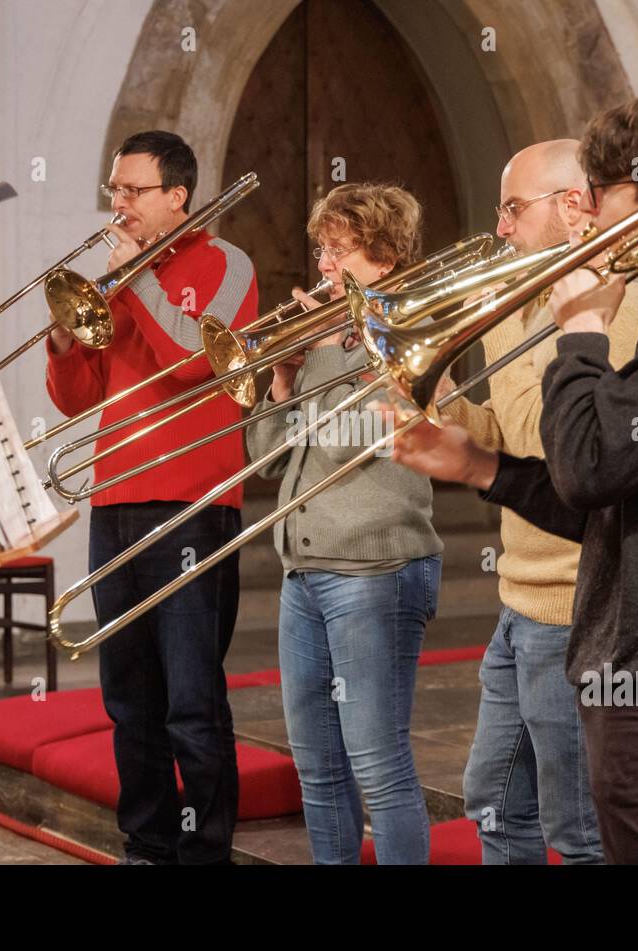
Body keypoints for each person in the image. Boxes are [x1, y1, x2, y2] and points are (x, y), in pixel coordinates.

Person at [388, 96, 638, 863]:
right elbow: (608, 500)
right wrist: (477, 465)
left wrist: (578, 325)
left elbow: (587, 464)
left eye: (603, 191)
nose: (591, 211)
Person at [45, 130, 258, 865]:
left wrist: (135, 280)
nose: (120, 204)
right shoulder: (116, 280)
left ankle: (205, 851)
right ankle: (147, 842)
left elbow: (195, 361)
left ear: (178, 196)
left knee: (191, 702)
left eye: (133, 191)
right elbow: (77, 398)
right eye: (115, 190)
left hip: (194, 504)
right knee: (128, 698)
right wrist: (65, 342)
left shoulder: (228, 264)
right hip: (114, 503)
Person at [442, 140, 638, 864]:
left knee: (579, 834)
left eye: (512, 209)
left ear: (572, 207)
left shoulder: (613, 305)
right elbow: (505, 431)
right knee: (493, 804)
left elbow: (558, 441)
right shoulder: (535, 303)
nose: (500, 230)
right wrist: (443, 410)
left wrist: (498, 315)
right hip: (521, 598)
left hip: (573, 608)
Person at [244, 183, 441, 864]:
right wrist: (281, 377)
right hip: (306, 571)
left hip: (376, 570)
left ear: (383, 253)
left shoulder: (410, 328)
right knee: (319, 769)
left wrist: (325, 354)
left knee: (379, 767)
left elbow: (343, 444)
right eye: (322, 249)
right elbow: (267, 458)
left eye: (339, 249)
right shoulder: (327, 337)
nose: (323, 265)